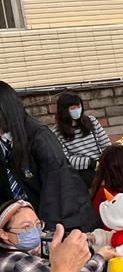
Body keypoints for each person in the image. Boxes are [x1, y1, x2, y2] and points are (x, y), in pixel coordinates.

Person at [0, 81, 99, 231]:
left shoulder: (39, 136)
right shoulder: (5, 140)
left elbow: (57, 183)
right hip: (31, 220)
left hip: (67, 219)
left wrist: (47, 229)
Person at [51, 91, 112, 190]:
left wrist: (107, 161)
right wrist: (91, 163)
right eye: (72, 108)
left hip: (101, 163)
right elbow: (65, 159)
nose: (77, 110)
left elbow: (106, 145)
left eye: (78, 106)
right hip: (81, 171)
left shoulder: (91, 121)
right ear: (64, 111)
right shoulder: (56, 132)